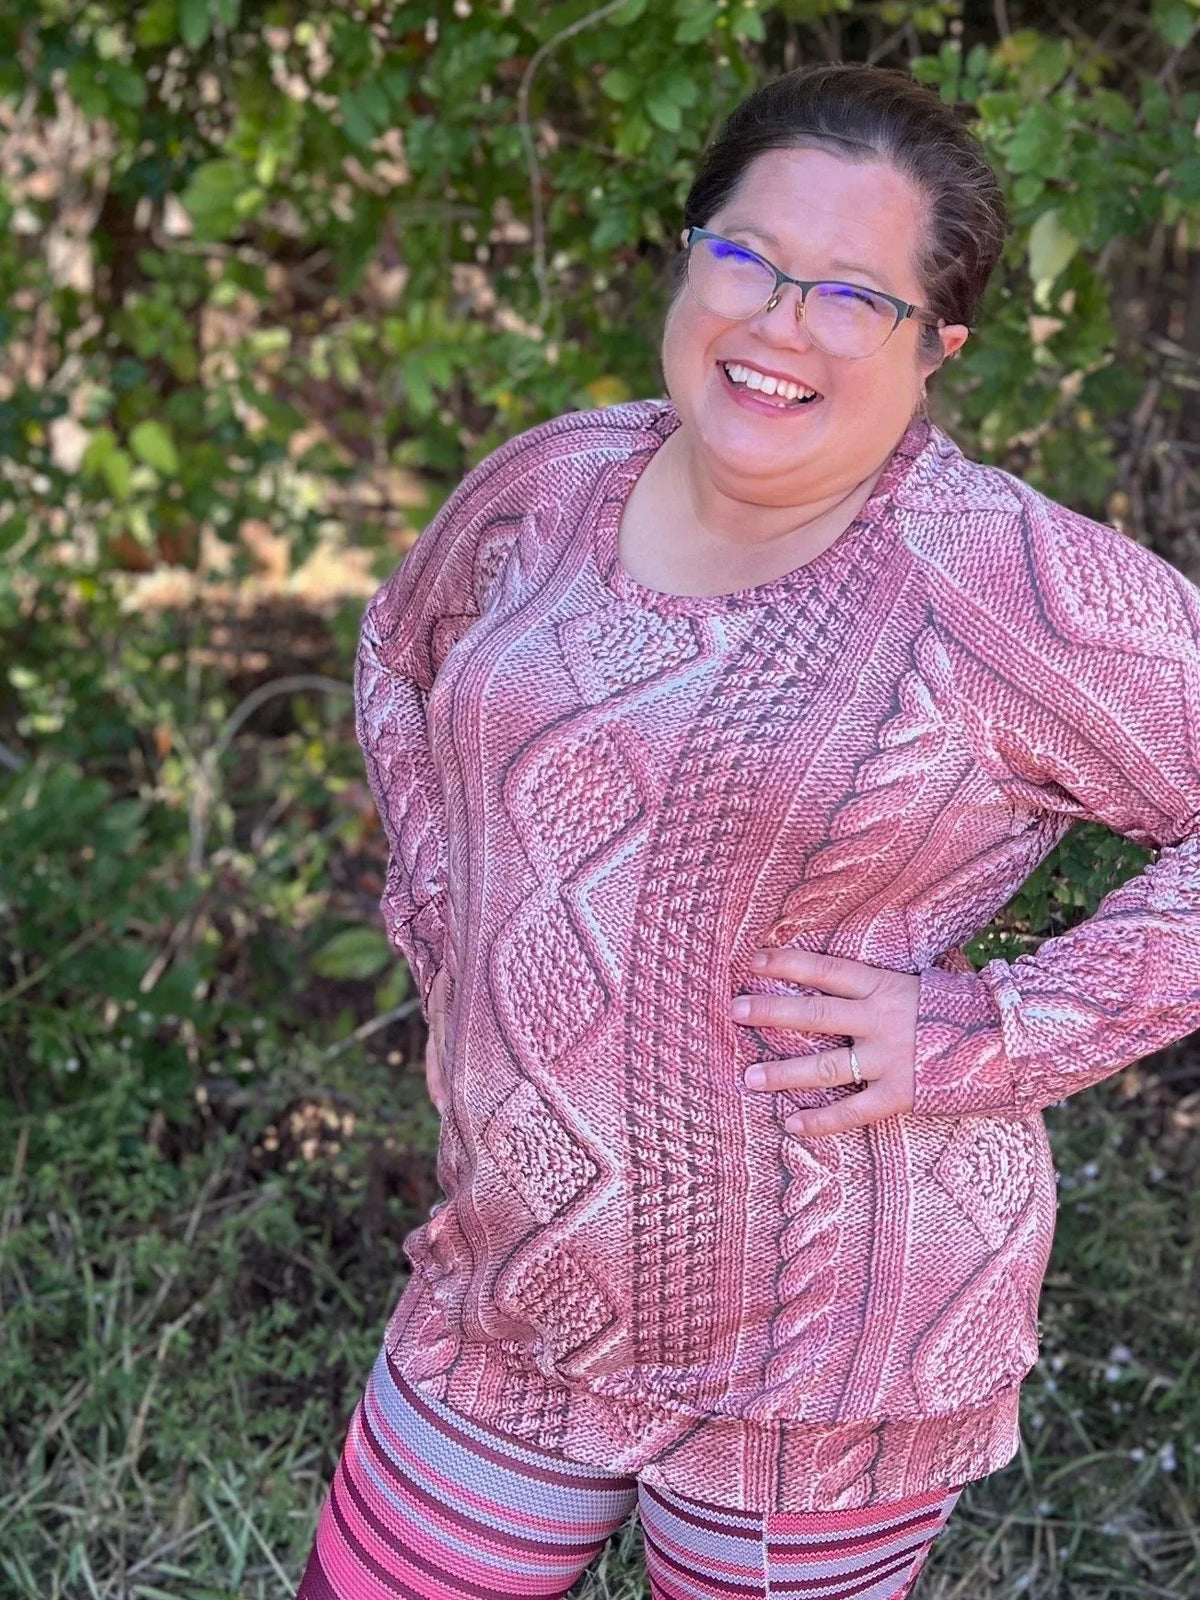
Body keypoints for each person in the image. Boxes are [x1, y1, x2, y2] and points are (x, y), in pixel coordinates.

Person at [295, 60, 1200, 1600]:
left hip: (825, 1358)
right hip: (510, 1289)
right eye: (748, 259)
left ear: (937, 348)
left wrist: (992, 1030)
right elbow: (402, 650)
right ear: (690, 256)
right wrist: (454, 915)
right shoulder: (553, 483)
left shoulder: (999, 582)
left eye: (855, 296)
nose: (780, 325)